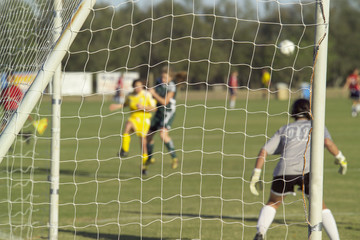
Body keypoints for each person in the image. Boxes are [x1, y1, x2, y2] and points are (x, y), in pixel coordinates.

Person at [250, 98, 347, 240]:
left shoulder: (285, 128)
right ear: (310, 111)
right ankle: (336, 238)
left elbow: (264, 150)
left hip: (284, 171)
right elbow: (327, 142)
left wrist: (256, 174)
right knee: (320, 206)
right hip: (307, 172)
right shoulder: (317, 126)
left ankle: (261, 232)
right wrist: (341, 159)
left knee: (273, 202)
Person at [109, 79, 156, 173]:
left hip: (144, 119)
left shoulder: (146, 95)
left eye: (139, 86)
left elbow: (154, 108)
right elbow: (125, 104)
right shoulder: (130, 96)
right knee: (128, 125)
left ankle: (144, 167)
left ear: (142, 86)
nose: (138, 88)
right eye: (136, 86)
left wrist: (143, 107)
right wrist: (116, 106)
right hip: (134, 118)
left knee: (143, 144)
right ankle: (125, 150)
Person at [145, 66, 178, 174]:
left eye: (165, 77)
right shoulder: (158, 82)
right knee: (148, 136)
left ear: (171, 78)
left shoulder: (172, 87)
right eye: (162, 77)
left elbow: (165, 102)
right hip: (159, 112)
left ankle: (174, 157)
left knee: (162, 134)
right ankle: (150, 158)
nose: (163, 79)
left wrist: (153, 94)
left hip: (168, 112)